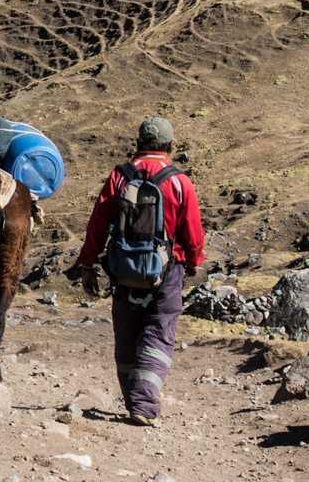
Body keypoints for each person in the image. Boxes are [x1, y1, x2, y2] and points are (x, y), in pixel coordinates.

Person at [76, 116, 205, 426]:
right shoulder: (179, 181)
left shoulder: (119, 177)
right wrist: (193, 262)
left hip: (122, 271)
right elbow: (193, 232)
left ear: (138, 143)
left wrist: (88, 265)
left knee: (126, 334)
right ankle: (143, 404)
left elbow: (98, 222)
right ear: (171, 146)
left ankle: (133, 398)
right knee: (158, 334)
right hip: (166, 271)